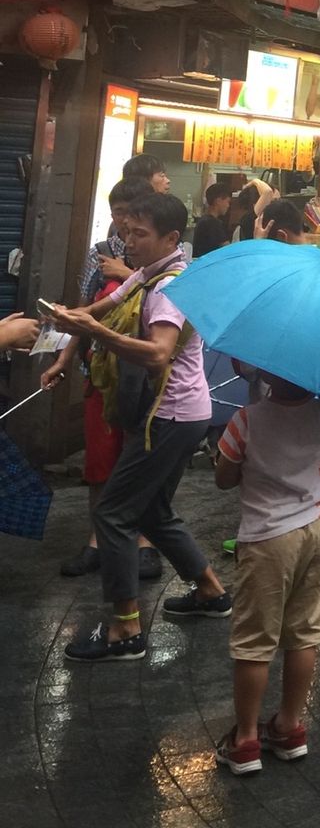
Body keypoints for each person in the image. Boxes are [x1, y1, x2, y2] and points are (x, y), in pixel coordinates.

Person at [46, 193, 230, 662]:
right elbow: (105, 309)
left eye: (140, 235)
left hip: (167, 417)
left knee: (113, 514)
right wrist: (67, 327)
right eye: (127, 232)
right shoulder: (148, 273)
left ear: (171, 238)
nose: (130, 243)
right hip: (180, 415)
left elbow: (157, 353)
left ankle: (125, 628)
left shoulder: (170, 287)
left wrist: (96, 333)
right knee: (152, 512)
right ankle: (210, 590)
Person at [212, 371, 320, 774]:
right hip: (316, 532)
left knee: (254, 640)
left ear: (265, 371)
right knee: (305, 632)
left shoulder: (246, 420)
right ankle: (289, 726)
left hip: (266, 540)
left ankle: (246, 739)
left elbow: (223, 479)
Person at [44, 178, 163, 581]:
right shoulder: (97, 257)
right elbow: (86, 312)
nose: (126, 228)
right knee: (99, 462)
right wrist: (63, 358)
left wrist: (129, 272)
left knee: (140, 462)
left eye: (133, 219)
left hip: (144, 378)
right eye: (119, 215)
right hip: (101, 372)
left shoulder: (160, 259)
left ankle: (145, 541)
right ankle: (97, 539)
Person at [78, 179, 139, 300]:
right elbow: (86, 300)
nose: (126, 219)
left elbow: (169, 298)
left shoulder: (159, 251)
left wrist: (125, 274)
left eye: (133, 211)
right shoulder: (99, 252)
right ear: (112, 216)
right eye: (119, 212)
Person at [192, 183, 234, 259]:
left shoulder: (203, 220)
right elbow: (228, 249)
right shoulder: (212, 223)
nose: (228, 206)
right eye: (227, 202)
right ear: (218, 201)